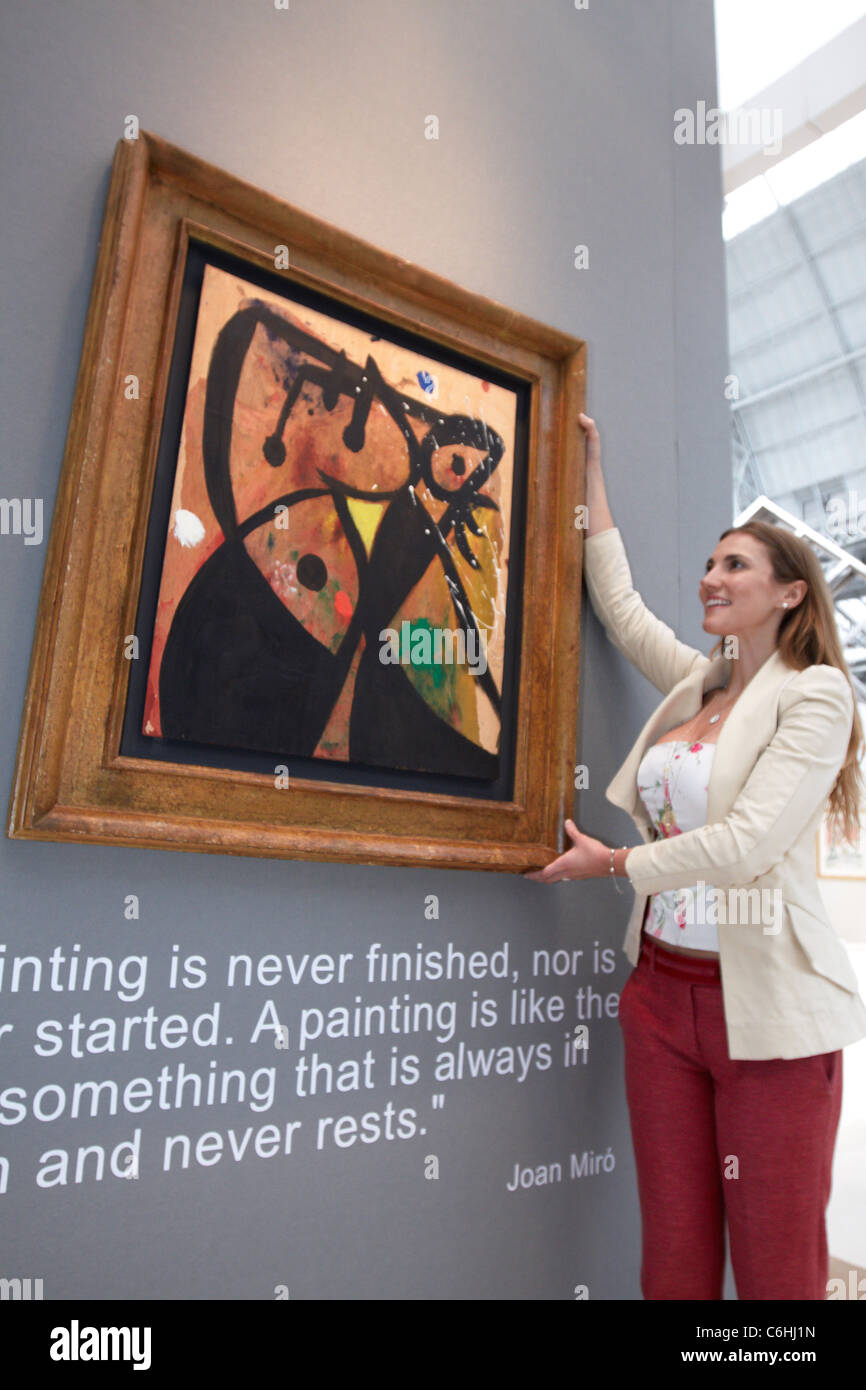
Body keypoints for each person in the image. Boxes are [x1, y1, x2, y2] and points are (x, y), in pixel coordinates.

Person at [524, 412, 866, 1301]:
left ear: (790, 592)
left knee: (775, 1268)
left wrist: (613, 866)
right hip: (661, 998)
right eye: (711, 562)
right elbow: (620, 606)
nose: (711, 577)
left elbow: (749, 842)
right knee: (672, 1260)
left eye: (735, 566)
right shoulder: (699, 682)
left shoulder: (818, 695)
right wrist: (591, 467)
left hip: (769, 1017)